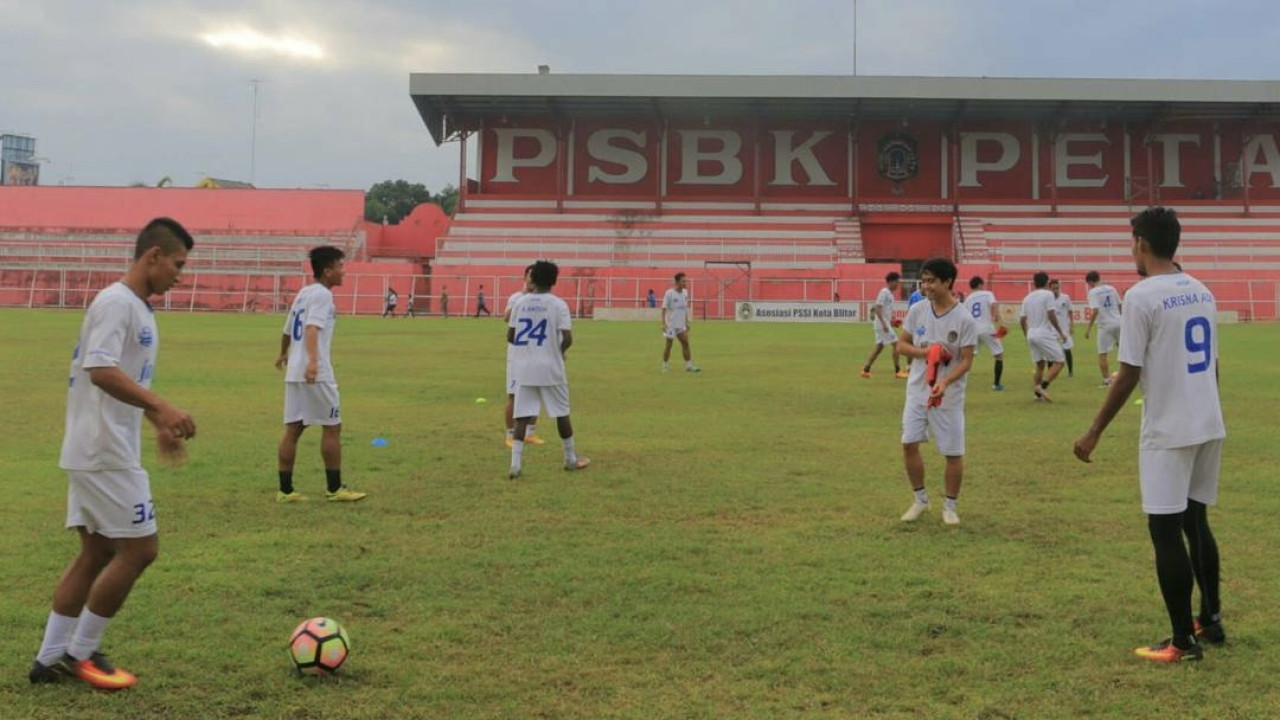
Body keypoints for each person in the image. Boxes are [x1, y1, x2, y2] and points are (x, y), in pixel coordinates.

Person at [29, 217, 197, 689]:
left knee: (97, 551)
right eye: (178, 265)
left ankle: (49, 659)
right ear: (154, 257)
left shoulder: (139, 308)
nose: (180, 275)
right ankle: (79, 654)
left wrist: (154, 420)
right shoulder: (116, 303)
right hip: (104, 450)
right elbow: (99, 369)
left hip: (98, 445)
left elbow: (122, 380)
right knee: (141, 549)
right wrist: (162, 406)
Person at [1073, 207, 1225, 663]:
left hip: (1169, 428)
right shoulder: (1201, 289)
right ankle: (1211, 620)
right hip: (1207, 421)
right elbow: (1214, 364)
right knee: (1196, 522)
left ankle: (1182, 641)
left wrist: (1093, 431)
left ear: (1140, 242)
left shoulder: (1141, 296)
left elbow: (1127, 375)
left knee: (1164, 530)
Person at [275, 246, 366, 504]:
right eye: (340, 266)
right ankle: (335, 488)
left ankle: (285, 491)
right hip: (315, 371)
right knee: (332, 426)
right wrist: (313, 363)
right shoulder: (323, 296)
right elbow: (312, 328)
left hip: (295, 369)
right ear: (327, 271)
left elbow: (287, 328)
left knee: (293, 428)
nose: (343, 271)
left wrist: (284, 354)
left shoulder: (304, 293)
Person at [895, 257, 977, 526]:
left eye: (931, 281)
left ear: (947, 282)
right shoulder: (918, 309)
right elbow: (901, 345)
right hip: (917, 392)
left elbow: (965, 360)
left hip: (948, 397)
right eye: (924, 280)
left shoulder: (964, 318)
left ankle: (950, 506)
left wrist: (945, 381)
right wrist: (925, 352)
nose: (925, 286)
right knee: (909, 444)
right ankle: (920, 500)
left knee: (952, 453)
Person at [507, 260, 590, 478]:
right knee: (561, 413)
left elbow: (511, 336)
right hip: (550, 367)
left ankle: (515, 464)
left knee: (522, 417)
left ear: (532, 278)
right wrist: (558, 351)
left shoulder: (520, 303)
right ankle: (570, 458)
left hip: (524, 368)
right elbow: (568, 338)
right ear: (554, 280)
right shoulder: (558, 305)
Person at [505, 265, 544, 448]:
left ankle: (530, 433)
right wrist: (522, 297)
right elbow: (506, 318)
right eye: (529, 276)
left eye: (534, 277)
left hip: (536, 354)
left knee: (535, 392)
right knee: (513, 395)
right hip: (517, 355)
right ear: (525, 277)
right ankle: (510, 435)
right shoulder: (516, 297)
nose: (531, 280)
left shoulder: (541, 301)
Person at [1019, 271, 1068, 402]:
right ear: (1047, 282)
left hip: (1031, 333)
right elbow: (1051, 314)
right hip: (1043, 332)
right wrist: (1061, 332)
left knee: (1040, 364)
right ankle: (1042, 386)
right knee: (1059, 362)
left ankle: (1037, 396)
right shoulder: (1048, 295)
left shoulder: (1027, 297)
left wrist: (1026, 334)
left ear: (1034, 283)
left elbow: (1022, 319)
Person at [861, 272, 906, 379]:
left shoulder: (889, 294)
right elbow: (877, 308)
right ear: (891, 282)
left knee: (879, 347)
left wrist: (891, 322)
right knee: (896, 344)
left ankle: (865, 370)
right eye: (897, 282)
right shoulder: (884, 292)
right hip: (882, 325)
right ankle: (898, 371)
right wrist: (884, 324)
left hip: (883, 324)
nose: (898, 285)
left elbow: (885, 312)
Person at [965, 276, 1005, 390]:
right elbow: (994, 305)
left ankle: (960, 382)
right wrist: (998, 319)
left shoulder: (968, 299)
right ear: (979, 285)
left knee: (969, 357)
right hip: (987, 328)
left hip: (973, 330)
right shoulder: (987, 294)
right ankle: (997, 385)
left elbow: (965, 317)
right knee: (999, 355)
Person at [1084, 270, 1123, 385]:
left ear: (1090, 282)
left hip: (1105, 325)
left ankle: (1107, 380)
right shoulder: (1111, 288)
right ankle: (1124, 376)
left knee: (1103, 353)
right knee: (1123, 350)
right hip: (1118, 321)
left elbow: (1095, 310)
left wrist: (1088, 328)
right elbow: (1120, 304)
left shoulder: (1093, 292)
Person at [661, 272, 700, 373]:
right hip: (671, 325)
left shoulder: (685, 293)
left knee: (686, 343)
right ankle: (665, 365)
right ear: (677, 282)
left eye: (685, 281)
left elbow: (685, 309)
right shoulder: (669, 293)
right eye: (683, 281)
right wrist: (663, 323)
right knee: (668, 346)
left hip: (681, 325)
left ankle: (689, 366)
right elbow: (664, 309)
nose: (685, 282)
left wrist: (686, 322)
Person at [1049, 278, 1075, 377]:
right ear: (1049, 288)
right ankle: (1050, 372)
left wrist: (1072, 325)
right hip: (1051, 330)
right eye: (1053, 289)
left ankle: (1070, 372)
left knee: (1067, 350)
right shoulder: (1047, 299)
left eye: (1057, 288)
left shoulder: (1065, 297)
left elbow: (1070, 311)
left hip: (1064, 329)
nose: (1055, 290)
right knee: (1051, 352)